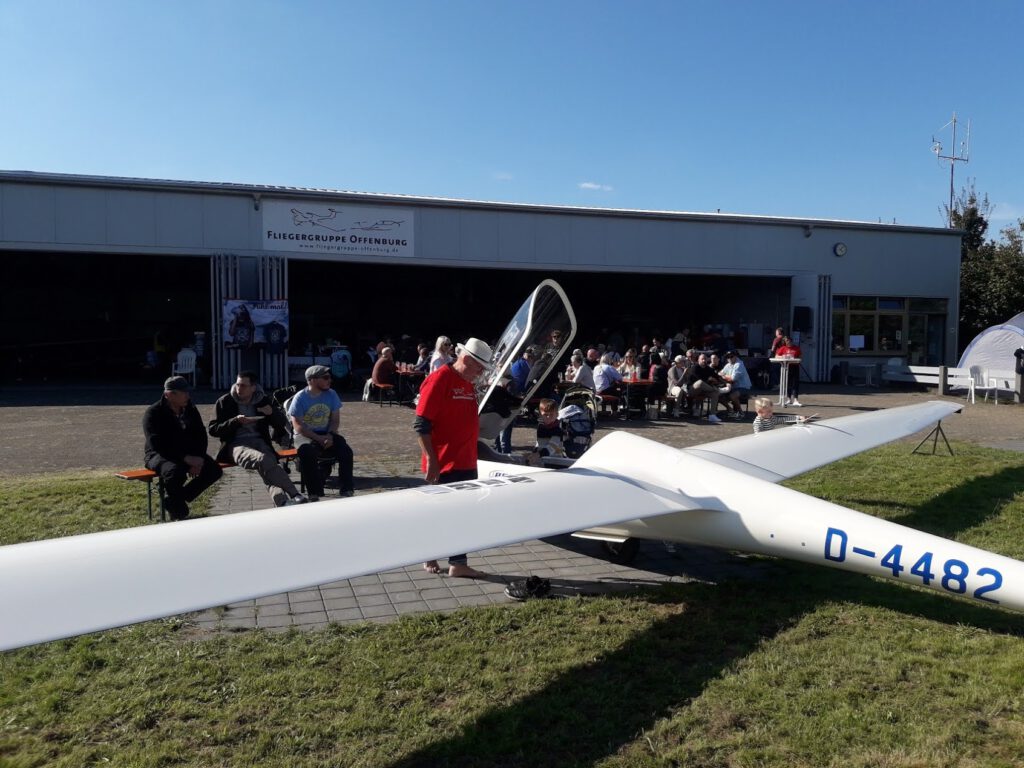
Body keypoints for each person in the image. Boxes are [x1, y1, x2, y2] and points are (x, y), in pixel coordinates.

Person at [414, 337, 493, 578]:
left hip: (466, 460)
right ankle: (429, 554)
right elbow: (421, 424)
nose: (480, 374)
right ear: (466, 359)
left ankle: (458, 563)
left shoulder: (467, 383)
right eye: (479, 368)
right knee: (439, 513)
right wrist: (433, 460)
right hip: (444, 462)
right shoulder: (440, 379)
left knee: (463, 514)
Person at [209, 370, 305, 507]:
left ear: (253, 387)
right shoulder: (225, 401)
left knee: (268, 468)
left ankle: (283, 502)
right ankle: (296, 494)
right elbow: (213, 430)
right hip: (236, 444)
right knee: (264, 459)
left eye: (243, 386)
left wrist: (271, 413)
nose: (238, 389)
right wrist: (235, 422)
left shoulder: (262, 400)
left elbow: (280, 424)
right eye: (237, 384)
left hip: (260, 441)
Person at [143, 376, 223, 521]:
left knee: (214, 470)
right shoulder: (153, 413)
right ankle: (179, 514)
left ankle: (177, 499)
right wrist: (186, 459)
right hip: (160, 454)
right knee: (175, 472)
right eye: (183, 392)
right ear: (169, 395)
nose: (188, 395)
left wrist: (198, 458)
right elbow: (157, 444)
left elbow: (201, 435)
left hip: (189, 452)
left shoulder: (190, 408)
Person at [287, 365, 355, 501]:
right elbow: (298, 426)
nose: (330, 380)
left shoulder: (332, 394)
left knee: (345, 450)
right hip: (306, 435)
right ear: (312, 380)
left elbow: (335, 420)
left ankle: (347, 489)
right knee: (306, 452)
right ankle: (315, 492)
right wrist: (318, 438)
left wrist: (330, 435)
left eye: (330, 377)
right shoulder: (300, 398)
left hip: (326, 433)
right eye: (325, 377)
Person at [690, 353, 725, 423]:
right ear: (698, 360)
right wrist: (709, 380)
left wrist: (722, 381)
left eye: (705, 359)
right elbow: (699, 379)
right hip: (693, 389)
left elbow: (717, 377)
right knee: (700, 382)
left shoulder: (709, 369)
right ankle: (716, 390)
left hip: (705, 390)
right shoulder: (694, 367)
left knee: (715, 393)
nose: (704, 360)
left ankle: (712, 415)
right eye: (702, 359)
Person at [719, 351, 752, 420]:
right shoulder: (728, 365)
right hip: (733, 388)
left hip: (744, 387)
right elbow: (719, 374)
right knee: (718, 395)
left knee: (732, 395)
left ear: (735, 356)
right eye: (728, 357)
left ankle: (740, 413)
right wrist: (724, 376)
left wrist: (724, 376)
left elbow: (732, 379)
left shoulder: (739, 364)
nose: (729, 358)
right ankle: (731, 410)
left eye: (731, 356)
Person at [776, 336, 803, 406]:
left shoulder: (796, 348)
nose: (789, 342)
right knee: (787, 383)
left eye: (790, 341)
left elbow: (800, 357)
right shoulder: (783, 348)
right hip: (786, 367)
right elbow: (776, 356)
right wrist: (782, 357)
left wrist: (796, 359)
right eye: (787, 341)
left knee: (795, 383)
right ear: (785, 342)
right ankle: (788, 399)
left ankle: (796, 399)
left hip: (795, 367)